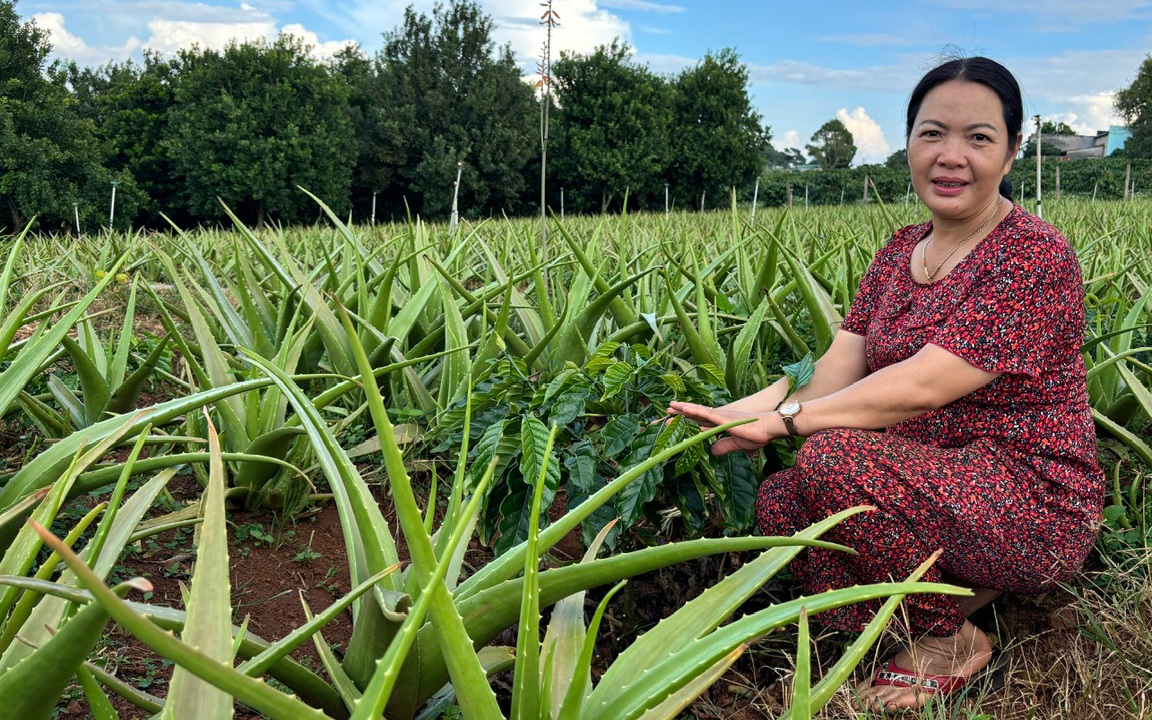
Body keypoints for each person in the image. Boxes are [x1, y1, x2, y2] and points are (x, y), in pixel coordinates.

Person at [665, 56, 1103, 713]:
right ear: (908, 145)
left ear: (1012, 152)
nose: (951, 155)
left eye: (978, 138)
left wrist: (784, 423)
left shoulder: (1035, 256)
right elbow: (835, 367)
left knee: (830, 459)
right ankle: (946, 594)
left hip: (1027, 498)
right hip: (932, 484)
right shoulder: (900, 251)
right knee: (782, 503)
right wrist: (736, 412)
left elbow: (925, 384)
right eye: (932, 133)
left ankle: (947, 637)